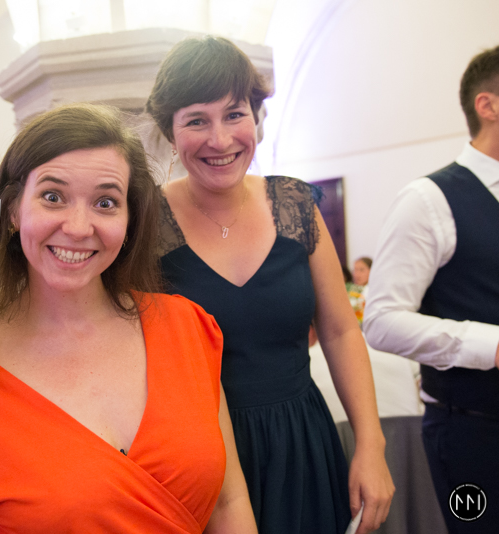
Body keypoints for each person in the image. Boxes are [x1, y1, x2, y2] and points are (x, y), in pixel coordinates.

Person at [0, 103, 257, 533]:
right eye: (53, 197)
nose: (78, 227)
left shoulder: (186, 328)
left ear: (129, 221)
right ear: (13, 209)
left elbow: (227, 503)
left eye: (105, 202)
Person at [146, 36, 394, 534]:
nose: (220, 140)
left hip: (302, 442)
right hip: (201, 460)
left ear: (256, 118)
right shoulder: (147, 224)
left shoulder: (295, 205)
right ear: (170, 133)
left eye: (234, 114)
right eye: (197, 121)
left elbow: (341, 332)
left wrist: (371, 445)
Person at [364, 44, 499, 533]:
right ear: (488, 105)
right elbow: (381, 321)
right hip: (474, 433)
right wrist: (492, 344)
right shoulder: (429, 200)